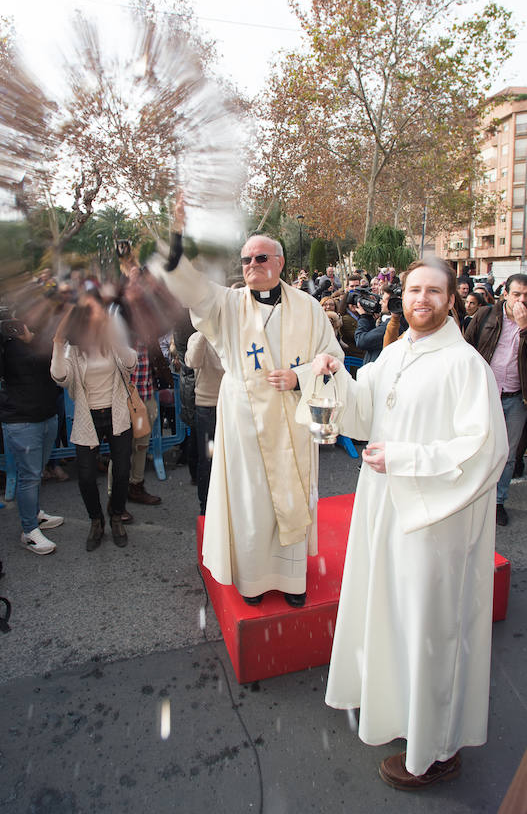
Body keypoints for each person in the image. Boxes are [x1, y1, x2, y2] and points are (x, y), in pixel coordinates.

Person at [311, 257, 508, 790]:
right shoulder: (397, 351)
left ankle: (437, 748)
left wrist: (405, 458)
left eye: (434, 292)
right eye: (413, 290)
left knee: (431, 630)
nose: (421, 299)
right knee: (394, 617)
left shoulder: (467, 366)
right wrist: (335, 377)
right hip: (385, 507)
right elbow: (361, 407)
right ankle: (401, 713)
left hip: (436, 522)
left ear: (451, 299)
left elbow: (485, 450)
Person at [157, 210, 343, 608]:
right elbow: (189, 288)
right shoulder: (227, 303)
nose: (252, 265)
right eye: (246, 259)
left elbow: (332, 357)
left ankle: (292, 581)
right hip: (244, 420)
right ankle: (253, 580)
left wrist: (299, 376)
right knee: (251, 500)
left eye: (261, 258)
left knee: (290, 497)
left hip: (293, 416)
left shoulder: (309, 308)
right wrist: (178, 239)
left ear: (279, 263)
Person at [50, 291, 137, 550]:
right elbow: (59, 377)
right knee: (86, 476)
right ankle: (96, 520)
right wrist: (57, 341)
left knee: (122, 470)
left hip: (117, 413)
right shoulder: (72, 350)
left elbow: (131, 362)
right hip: (88, 416)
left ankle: (117, 515)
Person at [0, 304, 64, 555]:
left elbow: (56, 363)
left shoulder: (41, 333)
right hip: (20, 419)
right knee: (29, 475)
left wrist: (31, 339)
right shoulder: (0, 339)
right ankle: (28, 531)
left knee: (36, 471)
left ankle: (35, 514)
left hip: (48, 413)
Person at [465, 273, 527, 526]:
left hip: (515, 398)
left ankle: (498, 501)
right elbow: (466, 346)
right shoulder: (486, 315)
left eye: (526, 296)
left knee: (508, 453)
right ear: (505, 294)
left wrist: (525, 329)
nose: (521, 300)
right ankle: (469, 498)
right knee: (475, 446)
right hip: (484, 393)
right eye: (517, 294)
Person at [185, 330, 224, 515]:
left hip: (230, 406)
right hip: (207, 409)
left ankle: (226, 507)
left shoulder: (230, 333)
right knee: (209, 459)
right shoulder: (196, 337)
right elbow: (192, 361)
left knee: (231, 459)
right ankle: (206, 508)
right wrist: (204, 331)